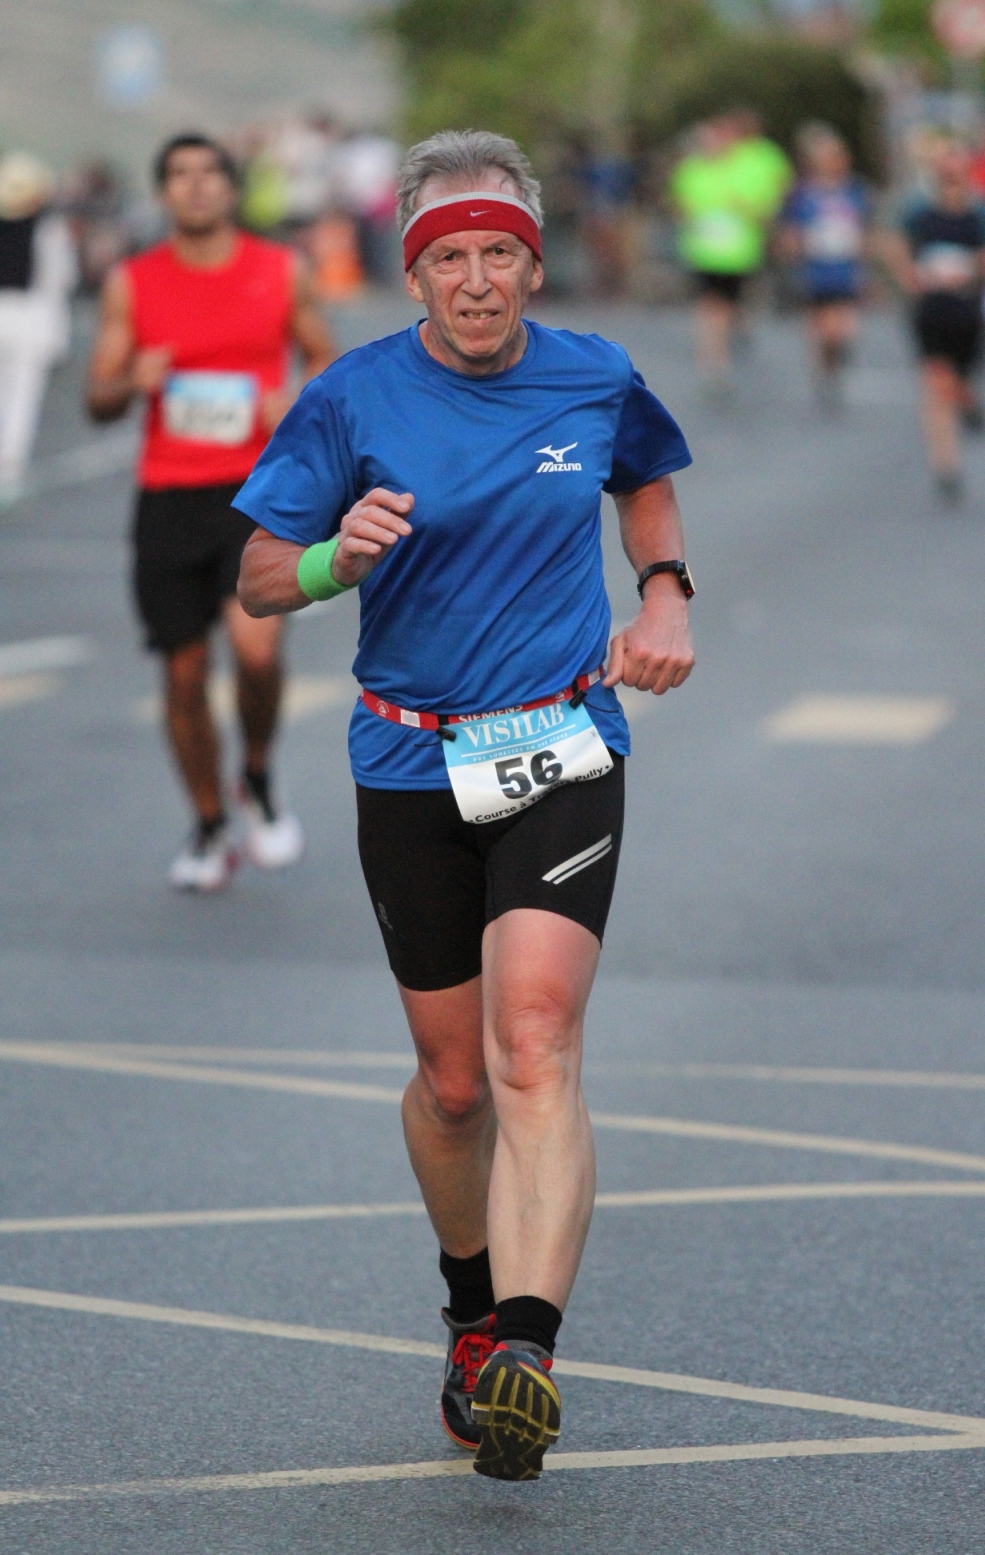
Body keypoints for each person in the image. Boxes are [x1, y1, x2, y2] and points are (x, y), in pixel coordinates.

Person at [236, 128, 695, 1480]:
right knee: (451, 1086)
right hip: (408, 759)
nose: (479, 279)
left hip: (561, 737)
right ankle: (471, 1310)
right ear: (415, 274)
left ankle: (526, 1354)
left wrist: (664, 592)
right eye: (452, 258)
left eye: (502, 253)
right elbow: (257, 574)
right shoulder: (351, 395)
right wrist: (331, 559)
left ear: (533, 267)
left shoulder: (594, 374)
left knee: (532, 1043)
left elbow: (644, 476)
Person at [86, 132, 337, 890]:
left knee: (256, 652)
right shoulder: (132, 282)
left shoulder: (280, 270)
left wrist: (298, 399)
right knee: (184, 671)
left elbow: (325, 358)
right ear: (163, 192)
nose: (196, 187)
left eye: (209, 174)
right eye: (179, 175)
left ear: (232, 189)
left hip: (259, 492)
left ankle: (255, 773)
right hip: (170, 495)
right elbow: (97, 398)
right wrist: (132, 379)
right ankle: (208, 823)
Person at [884, 138, 985, 505]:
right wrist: (910, 276)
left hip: (968, 315)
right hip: (931, 313)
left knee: (958, 384)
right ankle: (946, 466)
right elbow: (893, 244)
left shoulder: (980, 213)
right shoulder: (918, 211)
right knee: (937, 387)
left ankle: (970, 403)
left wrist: (971, 272)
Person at [670, 111, 791, 398]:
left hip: (740, 255)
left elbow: (767, 201)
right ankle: (714, 362)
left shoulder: (749, 165)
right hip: (704, 254)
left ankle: (734, 332)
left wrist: (755, 215)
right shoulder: (691, 170)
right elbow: (679, 205)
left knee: (730, 307)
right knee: (711, 308)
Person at [0, 153, 77, 500]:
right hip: (29, 319)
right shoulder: (50, 230)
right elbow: (61, 280)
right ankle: (9, 465)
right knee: (21, 396)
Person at [779, 123, 870, 409]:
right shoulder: (802, 194)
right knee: (823, 329)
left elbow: (866, 229)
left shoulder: (855, 190)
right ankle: (824, 370)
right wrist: (794, 249)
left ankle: (832, 362)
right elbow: (790, 231)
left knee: (845, 330)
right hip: (816, 270)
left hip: (846, 270)